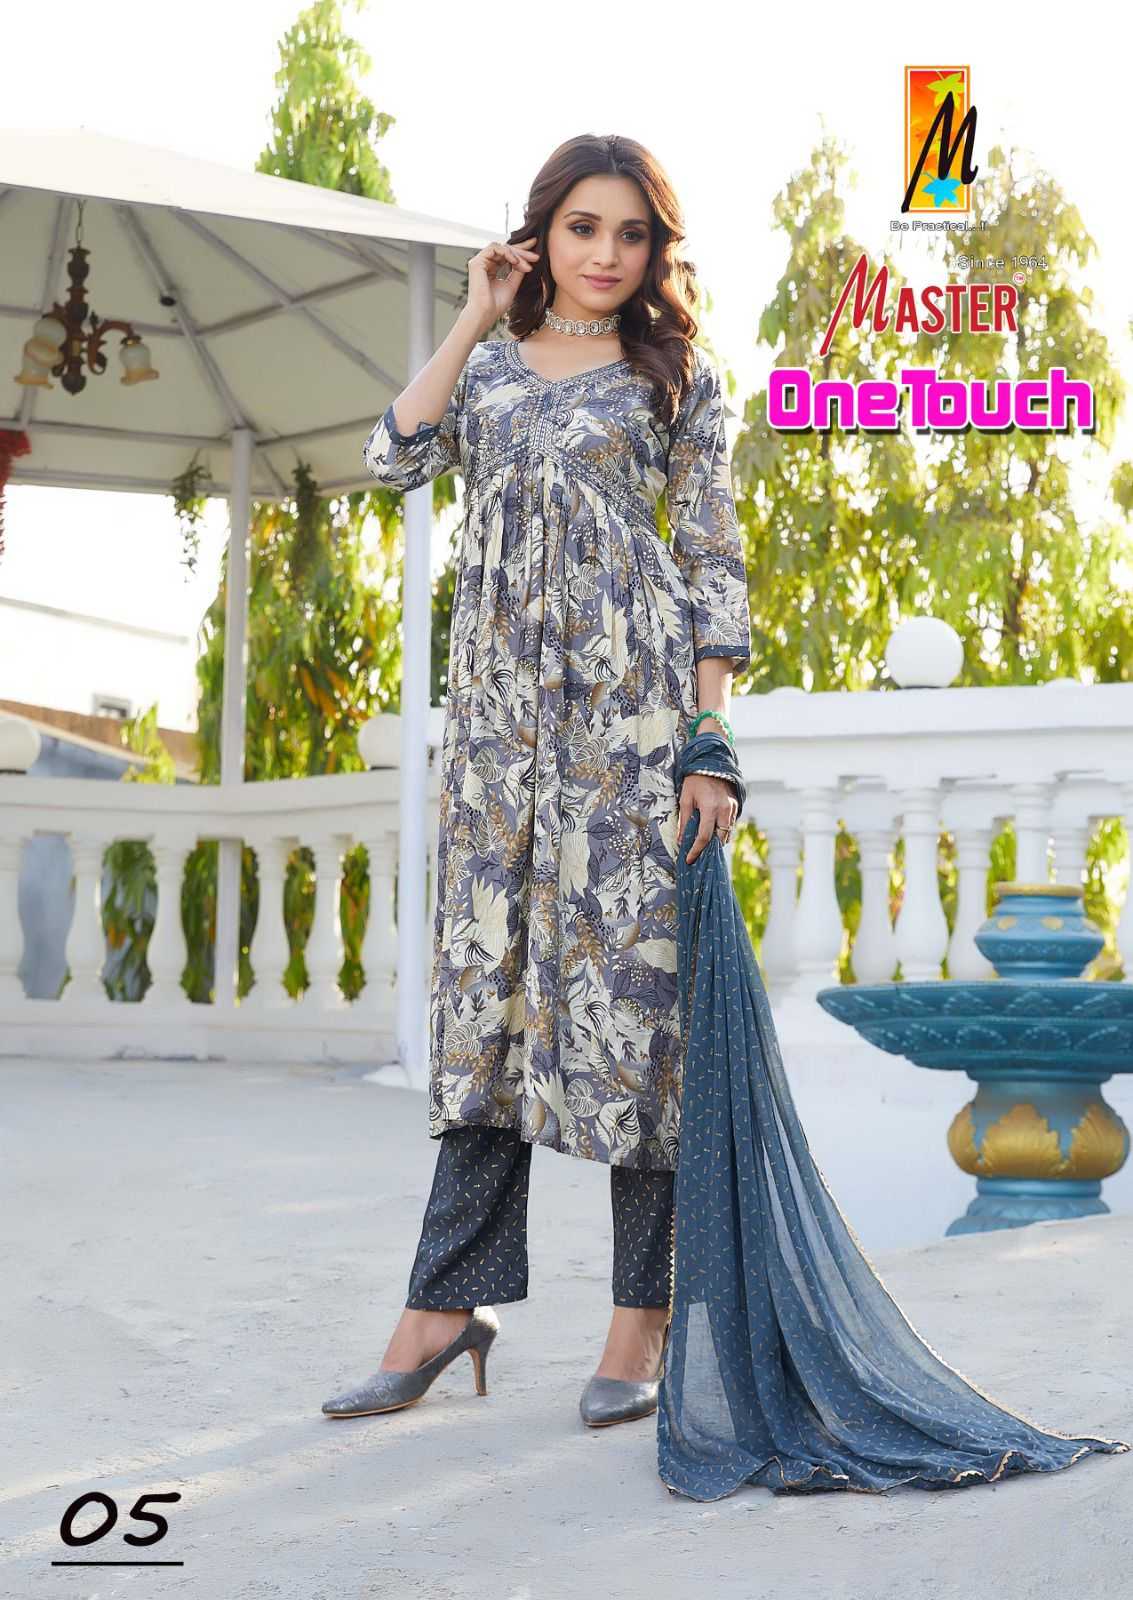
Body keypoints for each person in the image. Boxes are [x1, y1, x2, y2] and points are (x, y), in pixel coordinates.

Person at [322, 131, 750, 1428]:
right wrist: (471, 316)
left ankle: (640, 1322)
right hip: (498, 741)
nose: (607, 254)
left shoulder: (678, 379)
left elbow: (710, 566)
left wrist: (709, 745)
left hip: (629, 737)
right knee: (484, 1016)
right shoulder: (493, 366)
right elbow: (392, 454)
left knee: (637, 1026)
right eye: (582, 228)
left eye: (631, 233)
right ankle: (444, 1308)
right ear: (540, 233)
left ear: (655, 249)